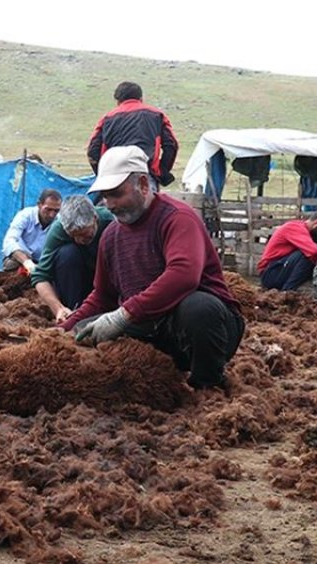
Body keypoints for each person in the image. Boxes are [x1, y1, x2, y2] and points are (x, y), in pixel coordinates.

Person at [61, 146, 244, 389]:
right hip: (147, 327)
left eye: (116, 194)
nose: (110, 204)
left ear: (144, 185)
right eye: (105, 196)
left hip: (194, 329)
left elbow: (183, 276)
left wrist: (123, 314)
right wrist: (63, 330)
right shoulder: (110, 236)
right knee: (84, 331)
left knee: (199, 308)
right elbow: (102, 296)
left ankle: (207, 384)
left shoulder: (178, 219)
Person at [31, 195, 115, 324]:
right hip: (77, 279)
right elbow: (40, 276)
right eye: (73, 235)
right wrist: (58, 308)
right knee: (67, 253)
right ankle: (73, 311)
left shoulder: (111, 221)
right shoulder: (58, 230)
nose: (79, 240)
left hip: (106, 277)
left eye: (84, 234)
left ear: (94, 219)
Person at [86, 82, 180, 187]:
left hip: (114, 178)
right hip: (145, 175)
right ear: (141, 98)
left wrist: (103, 174)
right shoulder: (157, 116)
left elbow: (93, 151)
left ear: (118, 100)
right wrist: (162, 171)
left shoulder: (107, 119)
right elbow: (171, 145)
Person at [257, 205, 317, 291]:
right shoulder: (294, 228)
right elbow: (314, 252)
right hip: (270, 273)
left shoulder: (310, 234)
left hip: (281, 268)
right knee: (307, 255)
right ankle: (287, 292)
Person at [2, 189, 61, 272]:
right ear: (39, 205)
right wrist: (27, 262)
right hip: (20, 259)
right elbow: (9, 241)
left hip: (44, 263)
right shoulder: (25, 215)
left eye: (56, 210)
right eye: (48, 209)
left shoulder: (60, 222)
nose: (52, 215)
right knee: (11, 265)